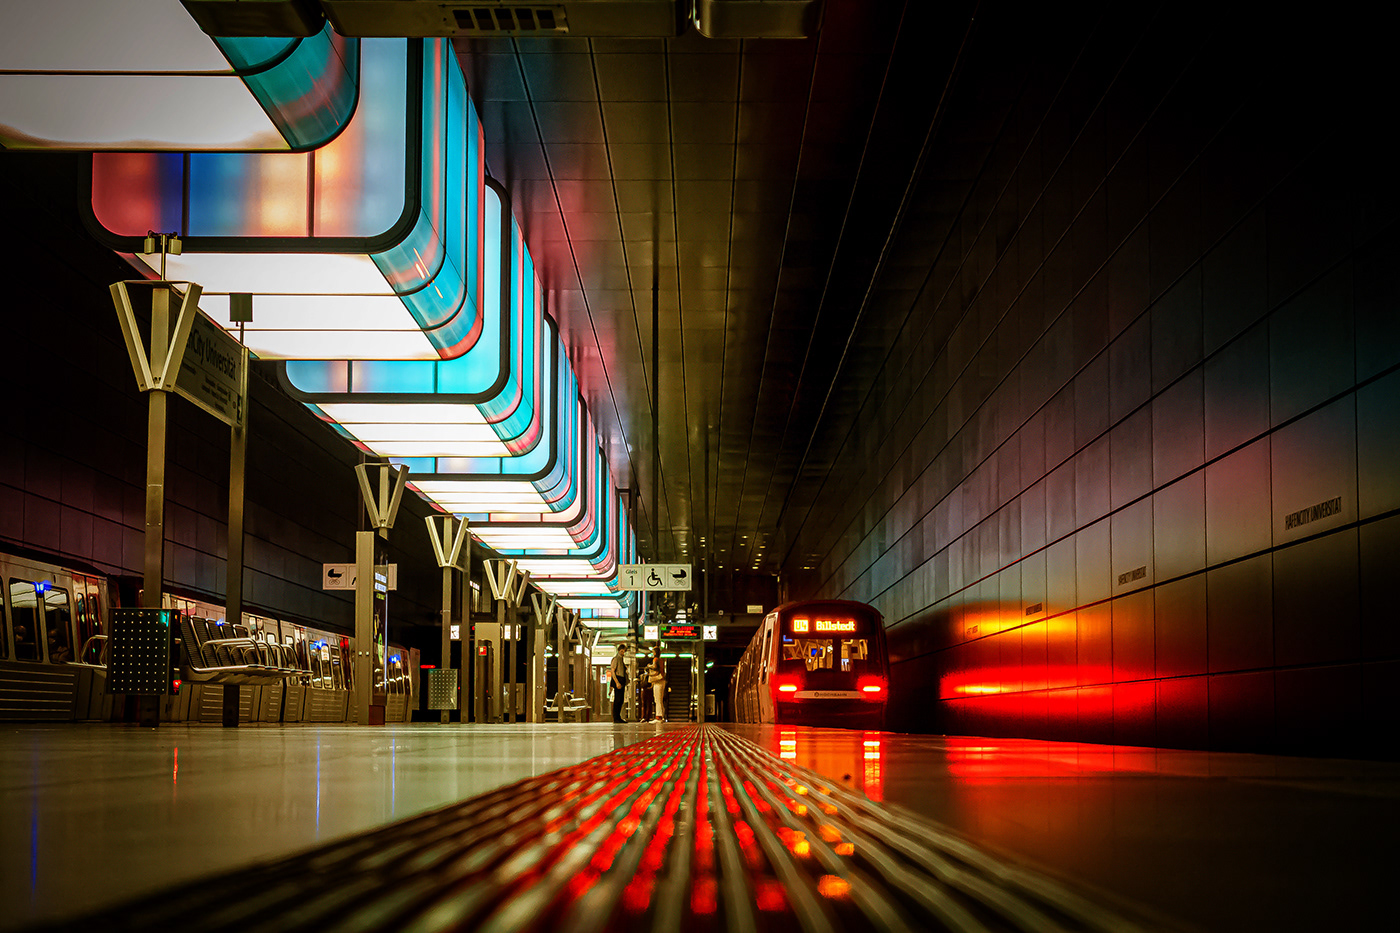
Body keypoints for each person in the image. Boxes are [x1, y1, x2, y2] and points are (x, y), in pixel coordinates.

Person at [609, 646, 630, 723]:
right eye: (621, 651)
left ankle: (618, 716)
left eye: (624, 651)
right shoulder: (616, 659)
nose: (623, 653)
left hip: (621, 679)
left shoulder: (621, 659)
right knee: (617, 699)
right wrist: (617, 682)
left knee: (620, 700)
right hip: (618, 679)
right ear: (619, 651)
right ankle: (616, 717)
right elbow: (613, 671)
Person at [648, 647, 667, 723]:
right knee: (660, 699)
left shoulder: (655, 660)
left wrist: (649, 666)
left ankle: (658, 717)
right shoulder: (661, 660)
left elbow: (655, 669)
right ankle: (661, 716)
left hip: (658, 681)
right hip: (662, 681)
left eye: (653, 652)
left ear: (655, 653)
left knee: (657, 699)